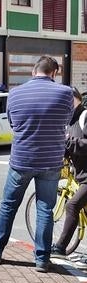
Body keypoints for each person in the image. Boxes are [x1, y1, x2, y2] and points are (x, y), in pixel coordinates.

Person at [0, 56, 74, 272]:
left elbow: (14, 124)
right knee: (45, 209)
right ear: (54, 73)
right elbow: (67, 121)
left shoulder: (15, 93)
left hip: (21, 160)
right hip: (51, 161)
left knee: (8, 205)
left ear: (34, 71)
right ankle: (42, 259)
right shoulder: (65, 93)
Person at [52, 88, 87, 265]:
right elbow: (68, 147)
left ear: (73, 99)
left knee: (72, 206)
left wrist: (68, 143)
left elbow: (80, 144)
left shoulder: (84, 116)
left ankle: (60, 248)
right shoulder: (70, 120)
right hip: (81, 175)